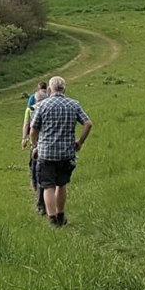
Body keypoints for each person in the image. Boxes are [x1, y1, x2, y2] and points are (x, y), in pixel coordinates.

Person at [29, 76, 93, 227]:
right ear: (64, 88)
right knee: (61, 184)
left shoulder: (42, 105)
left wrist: (35, 146)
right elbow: (88, 124)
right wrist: (80, 142)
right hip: (66, 153)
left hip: (46, 153)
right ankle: (60, 215)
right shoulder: (74, 104)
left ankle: (52, 219)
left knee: (48, 186)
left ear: (50, 89)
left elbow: (33, 131)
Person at [21, 81, 51, 215]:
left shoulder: (31, 109)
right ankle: (44, 204)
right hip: (48, 143)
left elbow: (28, 126)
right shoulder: (50, 109)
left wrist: (26, 139)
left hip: (38, 143)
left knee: (36, 167)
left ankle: (41, 203)